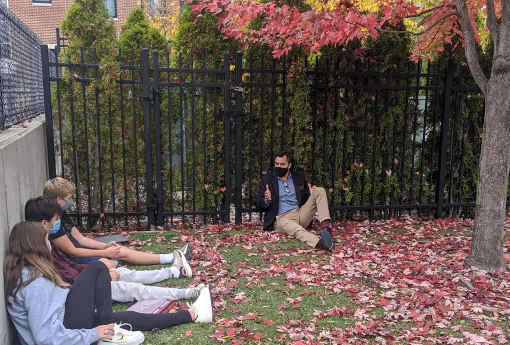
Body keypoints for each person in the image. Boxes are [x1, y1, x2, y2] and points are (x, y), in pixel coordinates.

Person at [4, 222, 213, 345]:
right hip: (67, 327)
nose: (49, 243)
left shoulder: (30, 272)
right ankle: (110, 332)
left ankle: (192, 315)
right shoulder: (32, 283)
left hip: (68, 319)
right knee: (97, 268)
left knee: (124, 318)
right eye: (46, 239)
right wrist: (92, 334)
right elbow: (45, 337)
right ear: (34, 244)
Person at [25, 197, 202, 303]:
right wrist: (100, 275)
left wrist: (100, 271)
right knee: (129, 288)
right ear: (43, 223)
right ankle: (187, 293)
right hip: (76, 292)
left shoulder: (47, 242)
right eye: (56, 219)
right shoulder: (37, 250)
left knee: (123, 273)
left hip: (83, 281)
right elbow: (65, 276)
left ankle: (173, 272)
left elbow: (69, 265)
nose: (58, 223)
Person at [43, 177, 189, 266]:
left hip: (80, 253)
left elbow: (80, 239)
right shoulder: (52, 222)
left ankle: (170, 257)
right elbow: (73, 252)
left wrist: (104, 246)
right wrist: (105, 251)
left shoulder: (62, 214)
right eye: (68, 198)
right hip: (72, 260)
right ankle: (170, 259)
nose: (70, 201)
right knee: (112, 261)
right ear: (58, 199)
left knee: (119, 251)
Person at [255, 150, 336, 251]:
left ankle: (326, 229)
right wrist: (266, 200)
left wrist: (311, 195)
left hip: (300, 214)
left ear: (289, 165)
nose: (279, 166)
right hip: (282, 218)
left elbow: (305, 200)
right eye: (277, 164)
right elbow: (258, 203)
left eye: (282, 164)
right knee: (297, 230)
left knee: (320, 190)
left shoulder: (299, 177)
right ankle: (320, 243)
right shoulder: (267, 179)